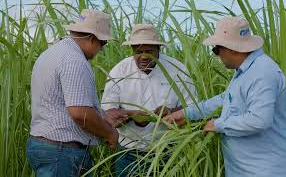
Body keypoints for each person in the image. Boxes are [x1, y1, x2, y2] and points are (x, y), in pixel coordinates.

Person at [163, 17, 286, 177]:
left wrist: (218, 125)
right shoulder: (245, 71)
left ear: (232, 48)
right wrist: (186, 114)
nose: (217, 55)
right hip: (245, 170)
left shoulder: (263, 72)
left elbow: (259, 120)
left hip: (267, 171)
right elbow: (224, 99)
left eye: (216, 50)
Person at [26, 9, 119, 176]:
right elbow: (80, 113)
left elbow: (59, 104)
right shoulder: (74, 60)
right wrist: (109, 133)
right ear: (92, 38)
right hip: (62, 152)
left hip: (45, 146)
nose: (102, 50)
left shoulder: (51, 53)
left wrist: (103, 117)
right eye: (103, 43)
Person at [101, 24, 196, 176]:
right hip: (128, 153)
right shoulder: (119, 71)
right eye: (138, 51)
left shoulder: (177, 70)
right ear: (132, 50)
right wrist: (132, 115)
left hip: (168, 153)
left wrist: (169, 113)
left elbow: (193, 109)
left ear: (159, 49)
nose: (144, 56)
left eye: (149, 51)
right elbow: (107, 114)